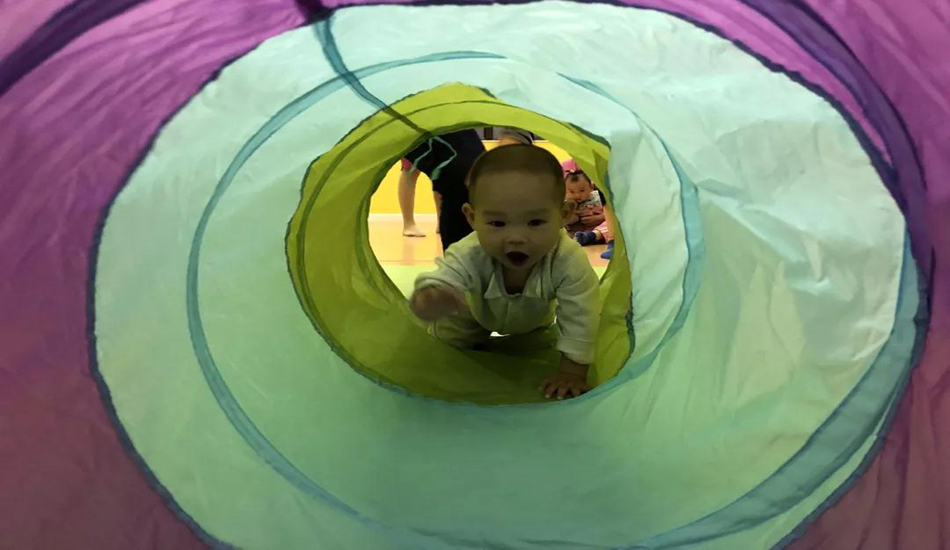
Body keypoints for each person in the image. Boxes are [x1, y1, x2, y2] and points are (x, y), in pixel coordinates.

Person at [409, 145, 600, 400]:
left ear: (563, 215)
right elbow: (444, 276)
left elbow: (581, 314)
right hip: (470, 315)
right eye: (497, 223)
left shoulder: (567, 258)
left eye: (535, 222)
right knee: (450, 348)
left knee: (536, 348)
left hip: (533, 321)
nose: (516, 237)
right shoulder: (470, 251)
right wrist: (432, 297)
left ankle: (529, 345)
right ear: (472, 218)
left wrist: (572, 373)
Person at [400, 130, 485, 250]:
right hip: (420, 129)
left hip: (447, 130)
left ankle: (440, 221)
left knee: (445, 173)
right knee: (412, 170)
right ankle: (408, 223)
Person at [561, 159, 612, 247]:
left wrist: (601, 216)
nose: (577, 195)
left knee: (612, 224)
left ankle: (592, 236)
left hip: (598, 228)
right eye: (572, 192)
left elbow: (610, 211)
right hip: (574, 231)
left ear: (591, 187)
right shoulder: (566, 201)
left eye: (582, 191)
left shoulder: (597, 197)